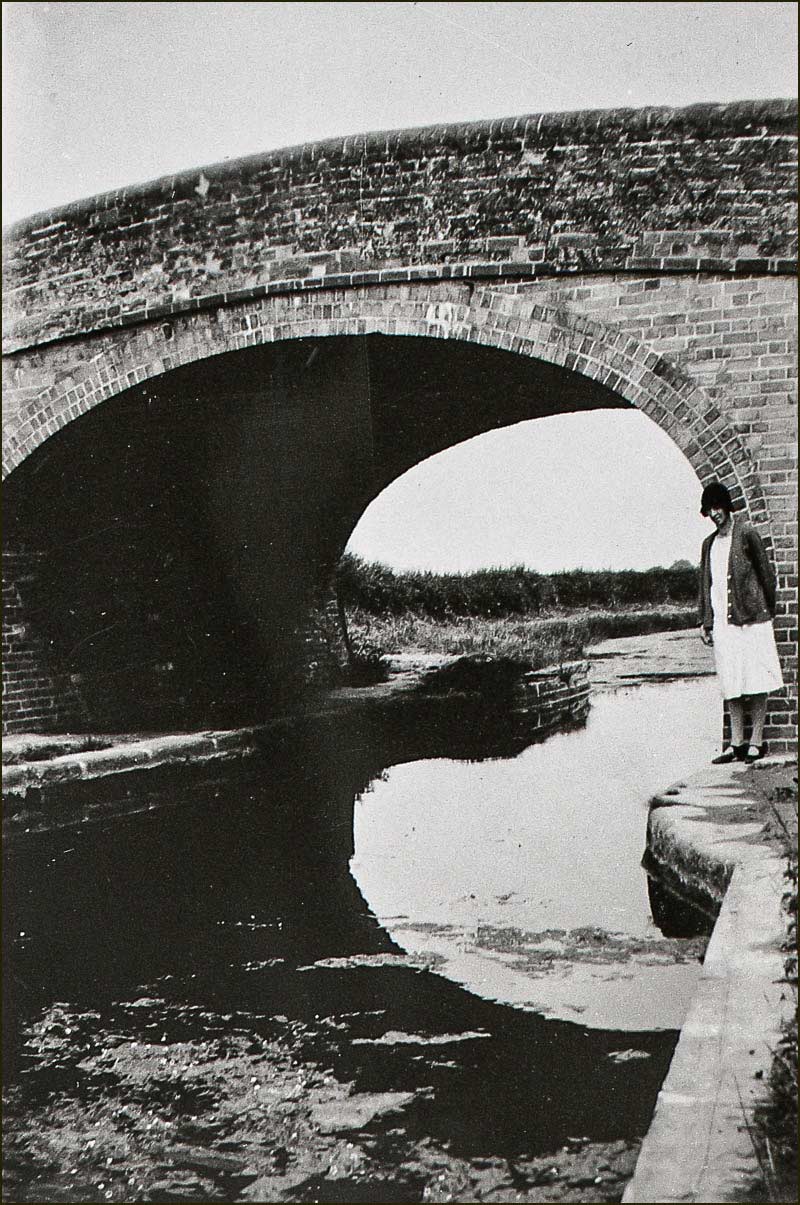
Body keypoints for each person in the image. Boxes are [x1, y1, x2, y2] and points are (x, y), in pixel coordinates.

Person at [698, 481, 783, 764]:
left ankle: (756, 742)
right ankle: (736, 744)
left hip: (753, 621)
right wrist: (706, 621)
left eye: (717, 507)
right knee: (731, 682)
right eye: (709, 509)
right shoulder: (708, 545)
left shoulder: (747, 533)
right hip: (724, 624)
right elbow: (706, 585)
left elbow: (765, 574)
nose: (714, 514)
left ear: (727, 506)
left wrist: (766, 609)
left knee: (756, 679)